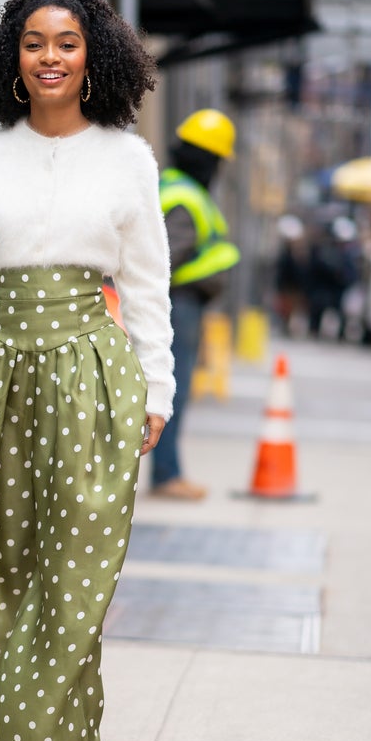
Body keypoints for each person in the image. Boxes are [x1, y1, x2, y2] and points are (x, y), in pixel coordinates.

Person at [0, 0, 175, 741]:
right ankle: (10, 697)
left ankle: (49, 736)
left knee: (79, 553)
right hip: (2, 370)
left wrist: (158, 388)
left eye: (66, 42)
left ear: (93, 55)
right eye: (35, 43)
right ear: (13, 56)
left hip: (96, 374)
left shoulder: (128, 160)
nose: (51, 57)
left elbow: (147, 291)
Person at [150, 109, 240, 500]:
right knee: (172, 391)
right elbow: (166, 259)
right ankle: (167, 475)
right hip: (178, 305)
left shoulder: (174, 187)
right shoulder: (186, 198)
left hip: (178, 304)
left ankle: (167, 472)